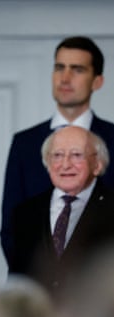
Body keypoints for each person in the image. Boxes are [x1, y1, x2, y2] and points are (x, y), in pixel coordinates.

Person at [1, 36, 114, 262]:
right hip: (36, 286)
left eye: (77, 69)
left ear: (97, 81)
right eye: (59, 67)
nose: (65, 77)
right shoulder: (25, 143)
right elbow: (11, 229)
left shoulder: (112, 139)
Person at [7, 126, 114, 297]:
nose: (65, 164)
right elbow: (18, 279)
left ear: (97, 164)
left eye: (77, 155)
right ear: (47, 163)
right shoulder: (25, 212)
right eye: (57, 155)